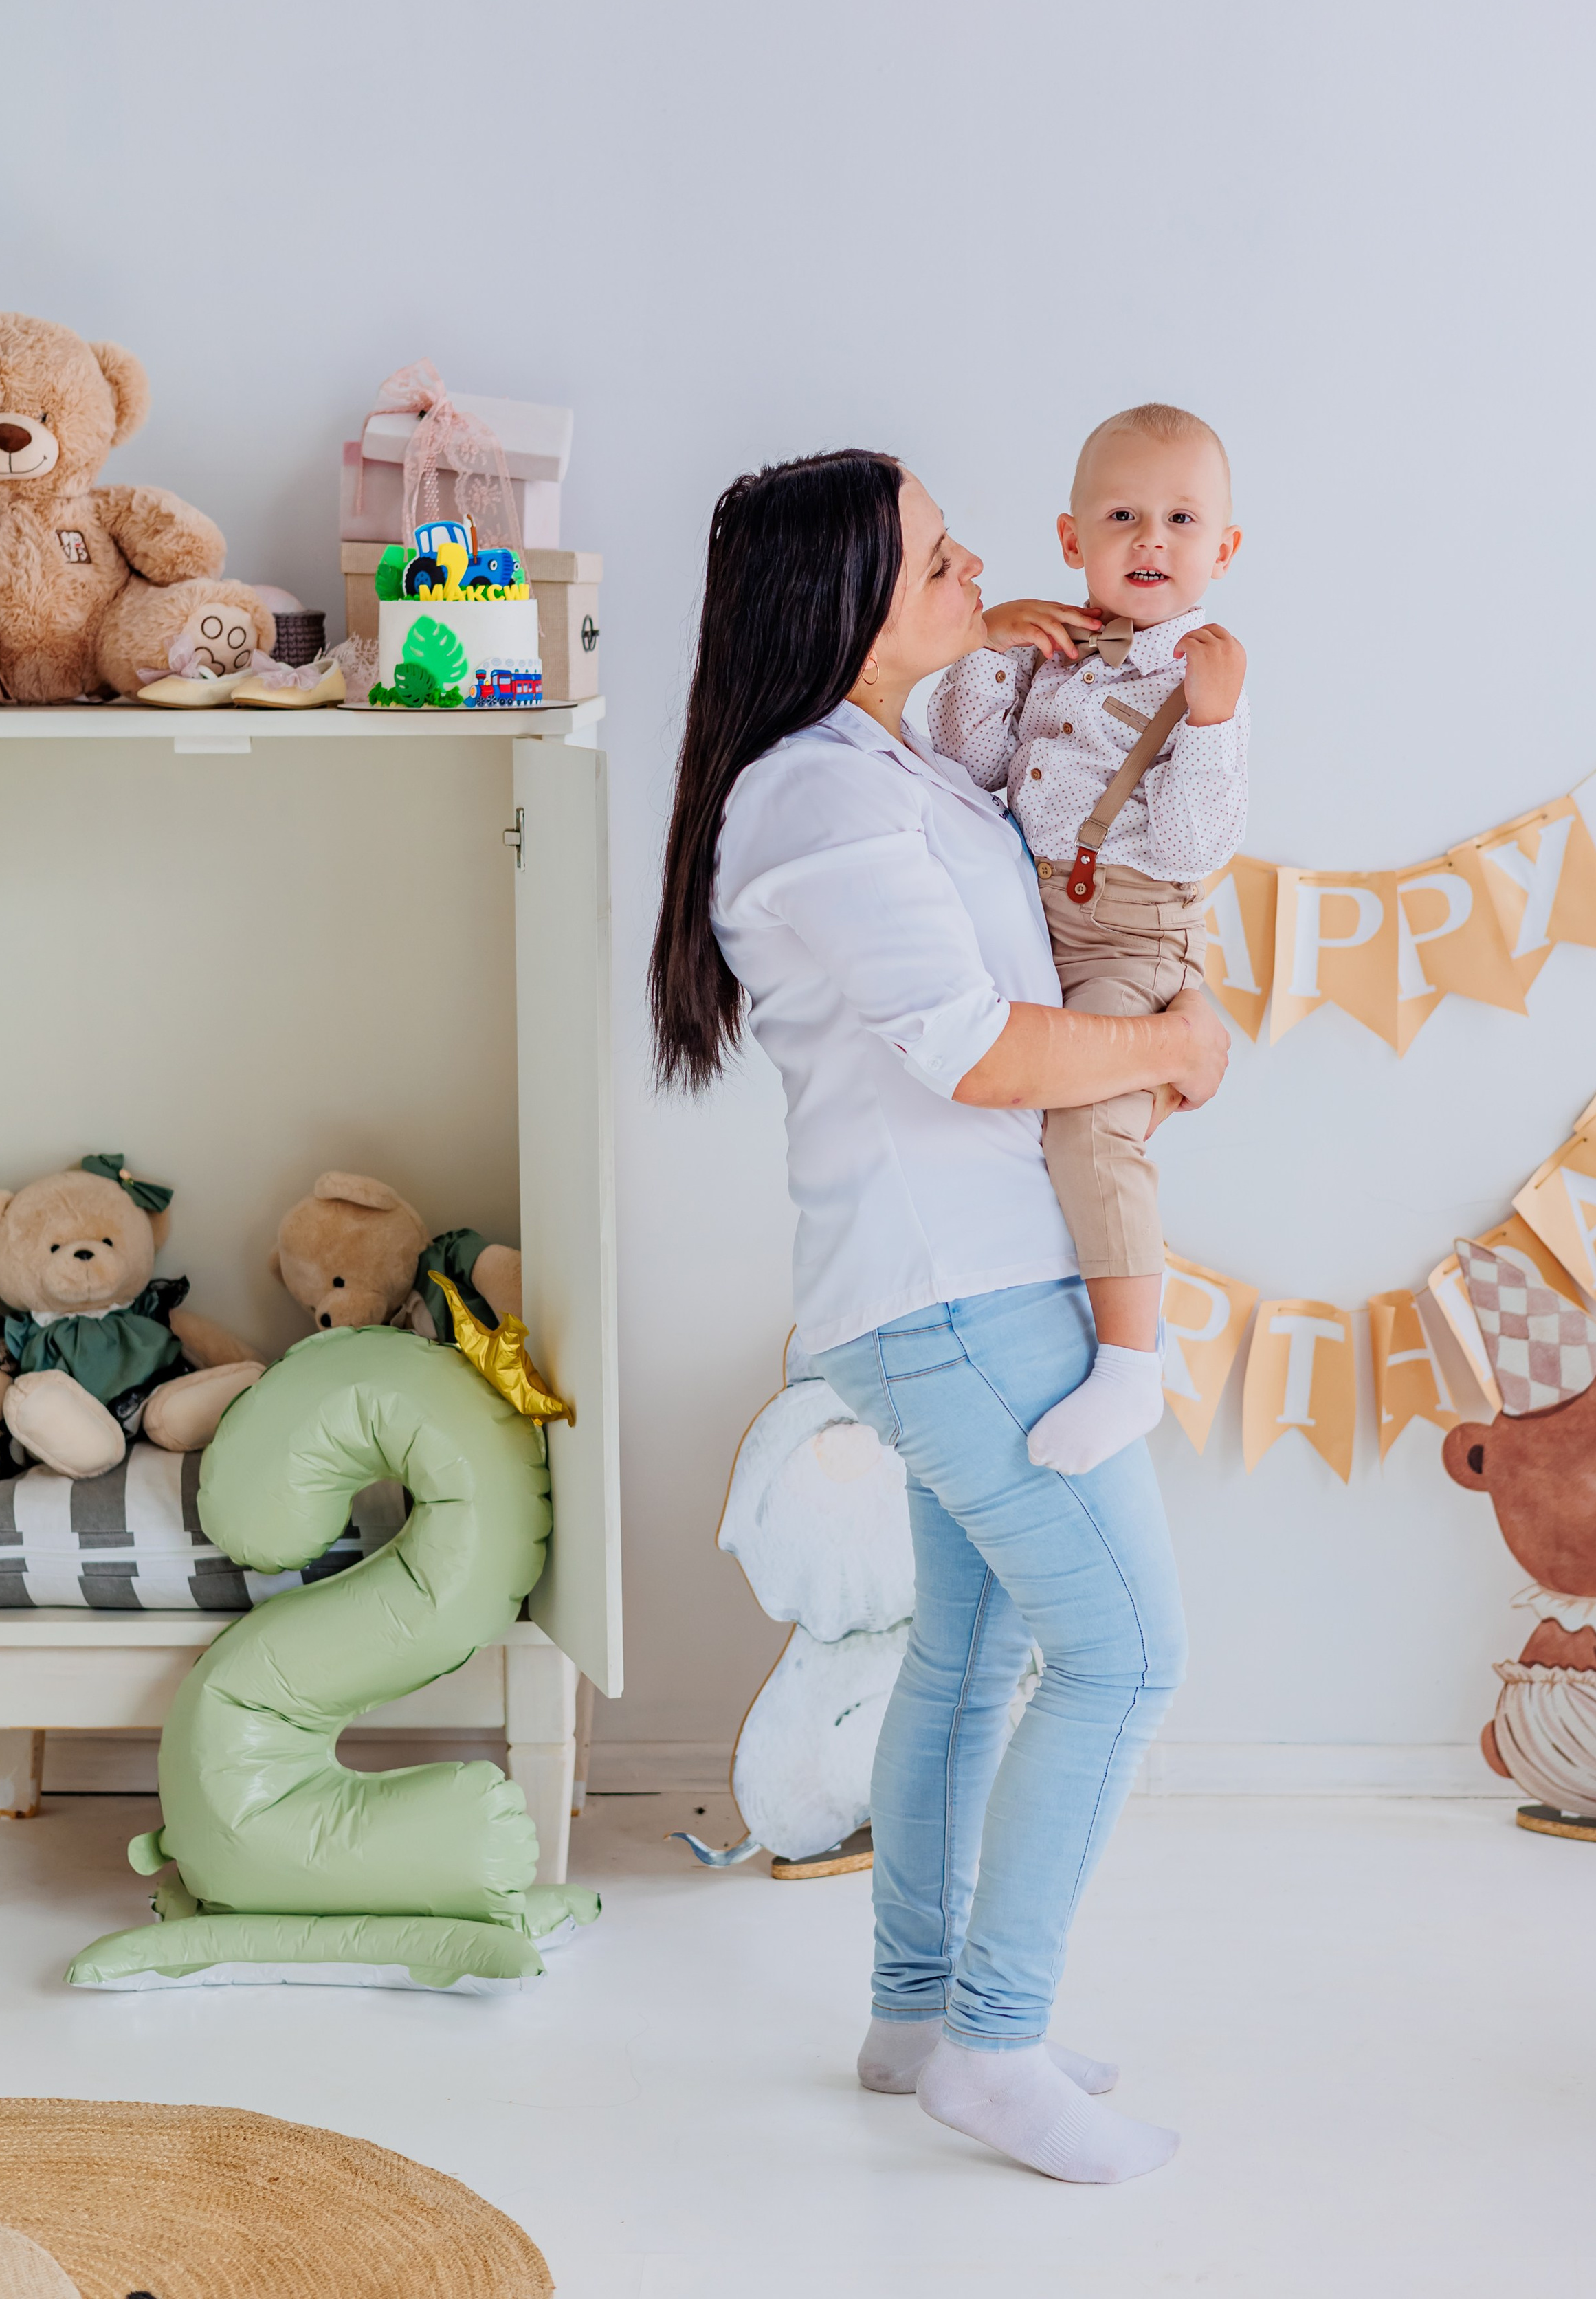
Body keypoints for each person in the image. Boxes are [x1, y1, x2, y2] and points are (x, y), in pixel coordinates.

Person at [650, 448, 1230, 2184]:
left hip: (960, 1286)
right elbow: (971, 1045)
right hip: (961, 1298)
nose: (976, 563)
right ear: (842, 605)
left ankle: (917, 2018)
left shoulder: (890, 769)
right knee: (1125, 1655)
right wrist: (1170, 1049)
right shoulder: (819, 801)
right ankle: (995, 2044)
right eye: (935, 557)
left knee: (971, 1658)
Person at [930, 402, 1248, 1472]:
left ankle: (1130, 1367)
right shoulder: (1053, 650)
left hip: (1124, 945)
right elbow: (967, 766)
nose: (1150, 538)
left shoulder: (1203, 679)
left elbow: (1198, 843)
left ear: (1221, 550)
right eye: (1123, 514)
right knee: (1002, 1123)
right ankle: (1037, 1310)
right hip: (1035, 926)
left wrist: (1213, 721)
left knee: (1092, 1133)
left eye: (1180, 518)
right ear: (1075, 541)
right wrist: (987, 644)